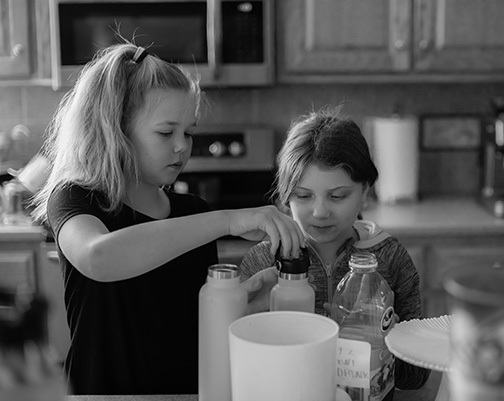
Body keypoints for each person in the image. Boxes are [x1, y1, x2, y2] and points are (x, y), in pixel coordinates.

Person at [30, 42, 304, 395]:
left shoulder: (192, 214)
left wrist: (244, 303)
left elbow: (184, 326)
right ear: (115, 130)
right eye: (165, 133)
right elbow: (99, 257)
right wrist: (227, 221)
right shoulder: (75, 199)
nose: (182, 146)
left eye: (188, 132)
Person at [239, 105, 430, 390]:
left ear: (365, 193)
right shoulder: (263, 261)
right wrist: (249, 319)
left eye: (337, 196)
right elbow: (240, 369)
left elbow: (416, 377)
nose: (319, 212)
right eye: (303, 196)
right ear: (285, 197)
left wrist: (391, 339)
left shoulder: (391, 259)